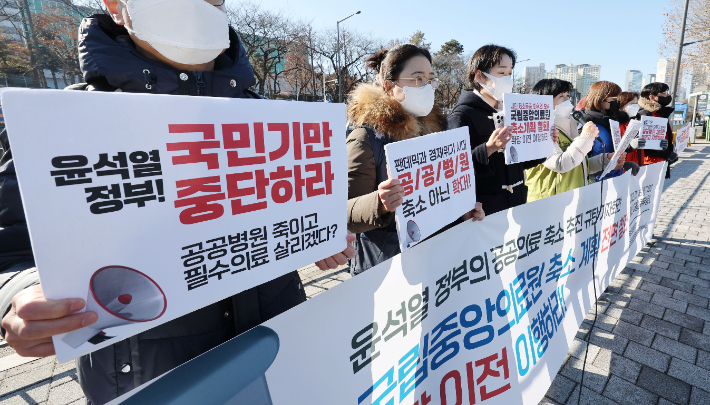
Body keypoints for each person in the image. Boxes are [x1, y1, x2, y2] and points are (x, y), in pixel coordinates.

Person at [0, 2, 355, 404]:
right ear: (117, 6)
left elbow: (286, 213)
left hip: (277, 347)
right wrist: (23, 296)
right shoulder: (57, 124)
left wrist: (319, 234)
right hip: (149, 375)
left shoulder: (271, 118)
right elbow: (11, 252)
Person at [346, 44, 484, 275]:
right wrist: (380, 203)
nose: (427, 86)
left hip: (439, 263)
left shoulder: (438, 132)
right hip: (389, 268)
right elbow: (344, 213)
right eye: (418, 79)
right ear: (390, 86)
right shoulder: (366, 137)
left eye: (431, 79)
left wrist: (462, 211)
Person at [448, 45, 550, 215]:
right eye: (502, 73)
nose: (508, 79)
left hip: (516, 202)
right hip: (483, 210)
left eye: (510, 73)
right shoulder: (462, 115)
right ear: (479, 75)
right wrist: (489, 148)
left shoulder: (510, 110)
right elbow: (454, 169)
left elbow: (521, 162)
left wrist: (542, 141)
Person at [524, 79, 607, 202]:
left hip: (570, 202)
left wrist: (604, 161)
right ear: (543, 101)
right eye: (560, 96)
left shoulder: (570, 126)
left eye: (567, 95)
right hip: (547, 203)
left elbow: (576, 165)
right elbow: (561, 164)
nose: (567, 100)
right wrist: (586, 138)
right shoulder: (537, 129)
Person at [580, 81, 637, 181]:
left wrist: (624, 164)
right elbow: (581, 161)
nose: (618, 101)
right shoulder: (586, 124)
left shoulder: (612, 122)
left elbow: (611, 151)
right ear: (601, 99)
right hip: (594, 183)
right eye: (615, 98)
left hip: (613, 179)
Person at [636, 82, 678, 178]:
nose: (667, 95)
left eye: (667, 92)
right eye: (664, 93)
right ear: (652, 97)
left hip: (659, 161)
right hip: (649, 163)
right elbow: (645, 144)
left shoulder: (660, 113)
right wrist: (667, 154)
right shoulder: (646, 114)